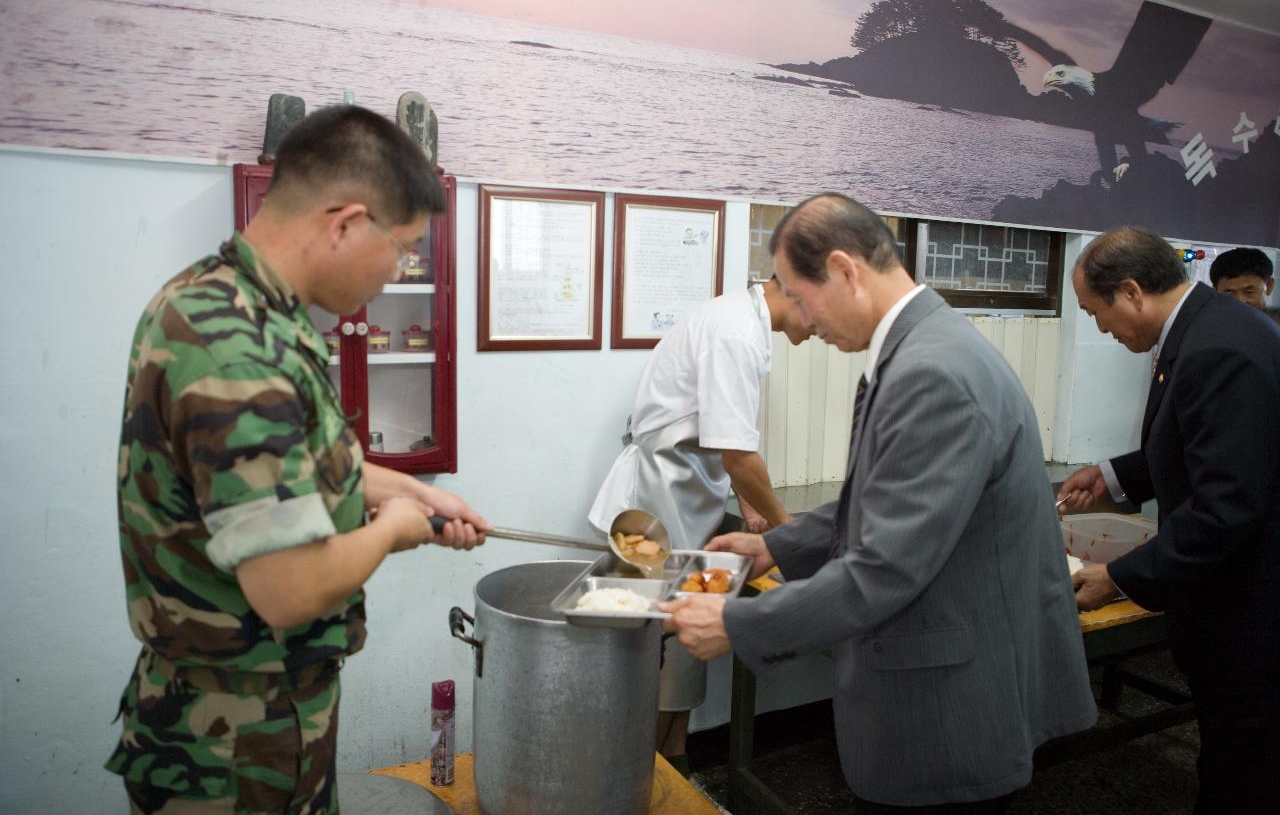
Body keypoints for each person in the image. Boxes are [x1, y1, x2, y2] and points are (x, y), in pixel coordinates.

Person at [106, 105, 492, 814]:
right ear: (344, 222)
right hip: (232, 743)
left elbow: (303, 461)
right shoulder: (236, 348)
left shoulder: (244, 305)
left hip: (265, 715)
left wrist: (412, 490)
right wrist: (394, 528)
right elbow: (288, 588)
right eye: (403, 245)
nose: (402, 266)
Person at [662, 193, 1096, 812]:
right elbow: (879, 502)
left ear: (844, 271)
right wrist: (773, 545)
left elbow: (885, 566)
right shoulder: (920, 347)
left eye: (799, 296)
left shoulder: (932, 371)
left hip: (949, 706)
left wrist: (736, 623)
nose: (804, 323)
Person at [1058, 227, 1280, 814]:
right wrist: (1112, 475)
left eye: (1097, 313)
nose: (1102, 329)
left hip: (1251, 610)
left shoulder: (1219, 350)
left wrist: (1120, 578)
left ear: (1130, 292)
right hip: (1233, 603)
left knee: (1243, 768)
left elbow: (1224, 506)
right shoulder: (1205, 330)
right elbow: (1200, 444)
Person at [588, 275, 813, 766]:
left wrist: (750, 504)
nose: (823, 326)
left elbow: (716, 431)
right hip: (655, 509)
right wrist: (788, 531)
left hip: (684, 502)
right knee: (659, 655)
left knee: (683, 652)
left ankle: (676, 761)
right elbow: (738, 455)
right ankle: (639, 780)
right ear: (798, 288)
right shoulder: (734, 331)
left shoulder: (740, 322)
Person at [1209, 246, 1274, 311]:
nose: (1240, 301)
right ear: (1215, 291)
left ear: (1269, 286)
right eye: (1229, 294)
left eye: (1249, 292)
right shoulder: (1204, 320)